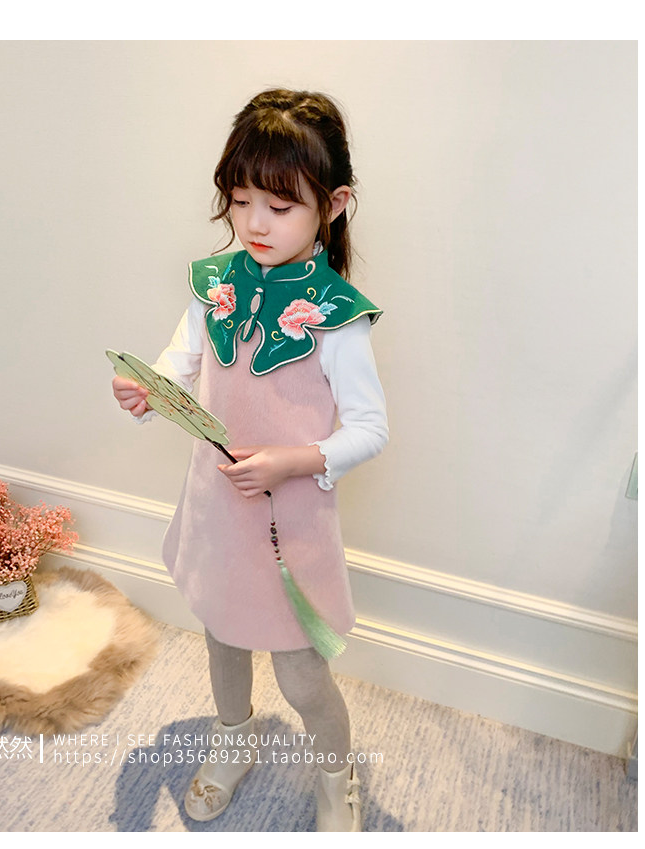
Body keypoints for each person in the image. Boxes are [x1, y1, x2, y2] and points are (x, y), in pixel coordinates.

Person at [112, 88, 388, 832]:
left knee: (302, 673)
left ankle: (336, 775)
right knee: (222, 633)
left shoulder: (339, 318)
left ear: (333, 204)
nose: (255, 223)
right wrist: (148, 386)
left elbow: (370, 428)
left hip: (287, 524)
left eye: (280, 205)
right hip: (217, 508)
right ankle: (232, 737)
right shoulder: (216, 285)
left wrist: (292, 460)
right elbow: (182, 360)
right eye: (240, 201)